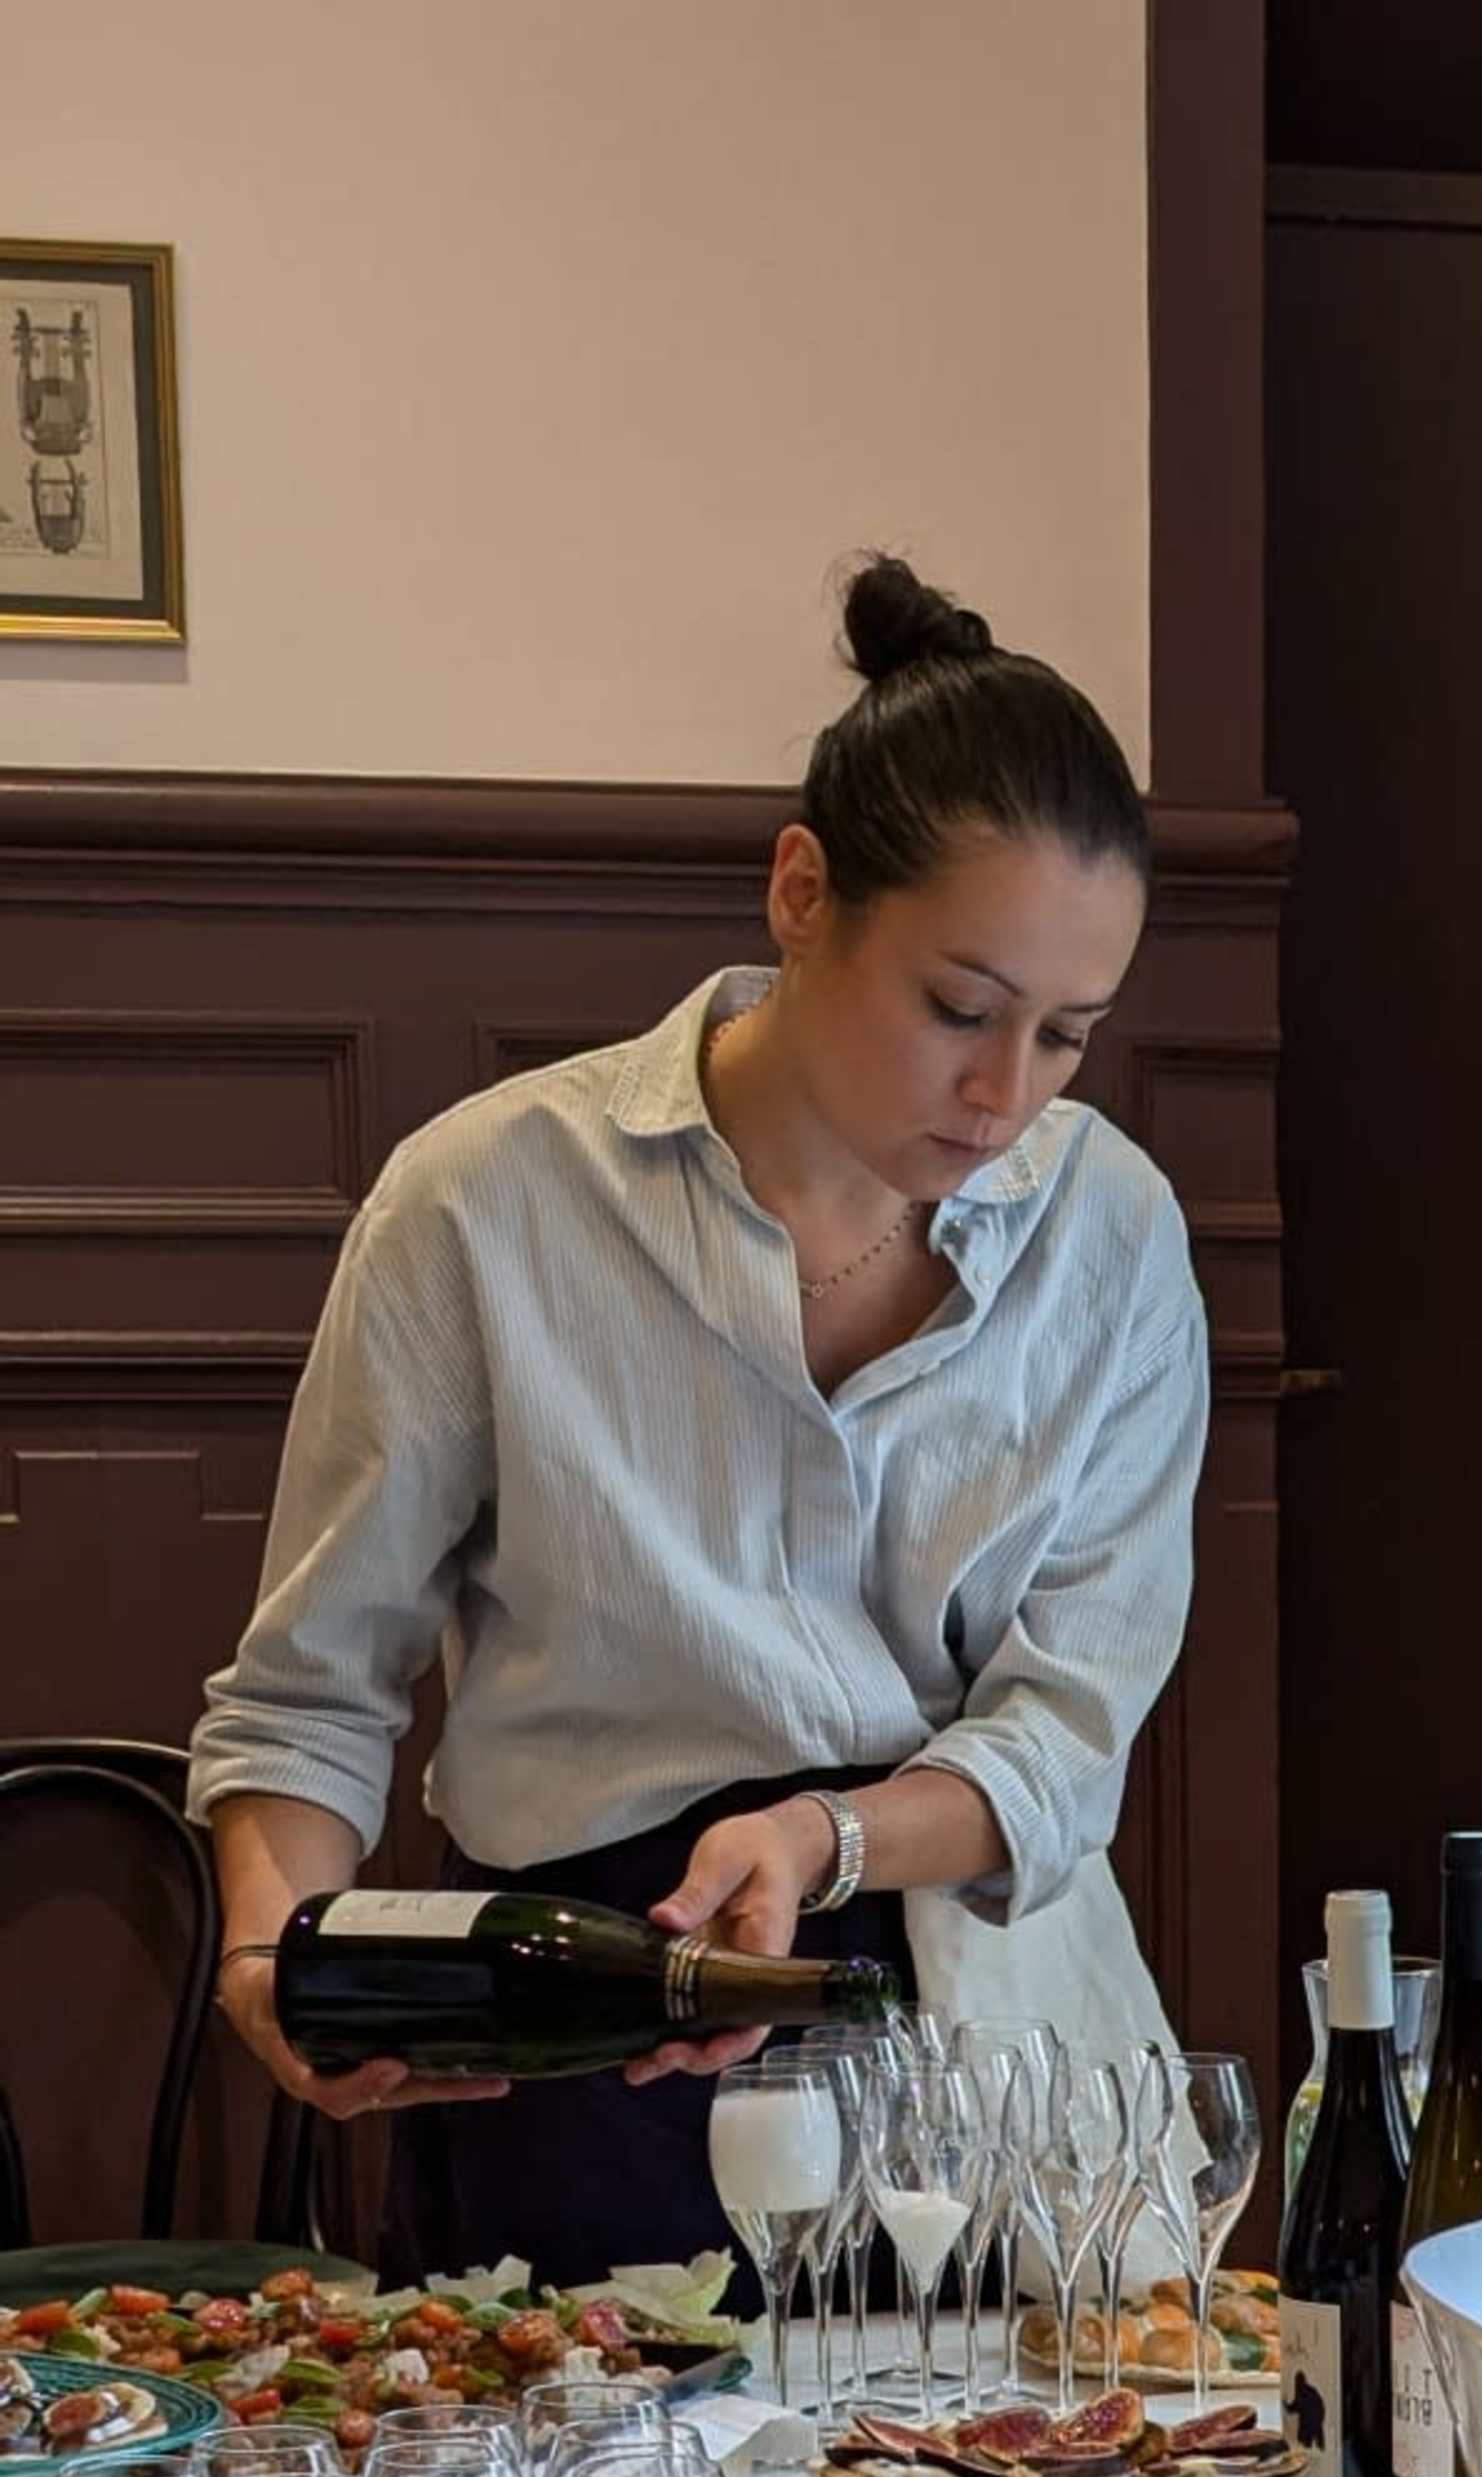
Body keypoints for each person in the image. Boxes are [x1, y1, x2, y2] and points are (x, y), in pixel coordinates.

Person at [190, 553, 1208, 2286]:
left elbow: (1070, 1731)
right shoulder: (485, 1205)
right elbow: (308, 1699)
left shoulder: (1109, 1232)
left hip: (987, 2050)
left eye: (1067, 1038)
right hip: (573, 2028)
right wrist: (264, 1954)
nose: (1004, 1094)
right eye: (960, 1009)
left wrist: (828, 1840)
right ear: (801, 891)